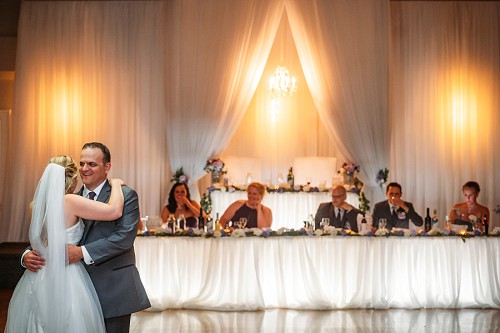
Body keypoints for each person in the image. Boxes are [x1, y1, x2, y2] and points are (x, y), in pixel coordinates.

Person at [22, 142, 150, 333]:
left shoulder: (125, 195)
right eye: (82, 163)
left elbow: (123, 238)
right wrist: (26, 256)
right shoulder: (69, 198)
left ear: (107, 167)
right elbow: (47, 237)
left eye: (92, 164)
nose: (84, 169)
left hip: (112, 290)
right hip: (69, 293)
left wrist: (82, 252)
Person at [6, 155, 125, 332]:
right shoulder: (70, 201)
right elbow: (114, 211)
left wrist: (26, 255)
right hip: (66, 274)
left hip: (38, 275)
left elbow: (42, 243)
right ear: (72, 178)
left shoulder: (37, 205)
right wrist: (116, 184)